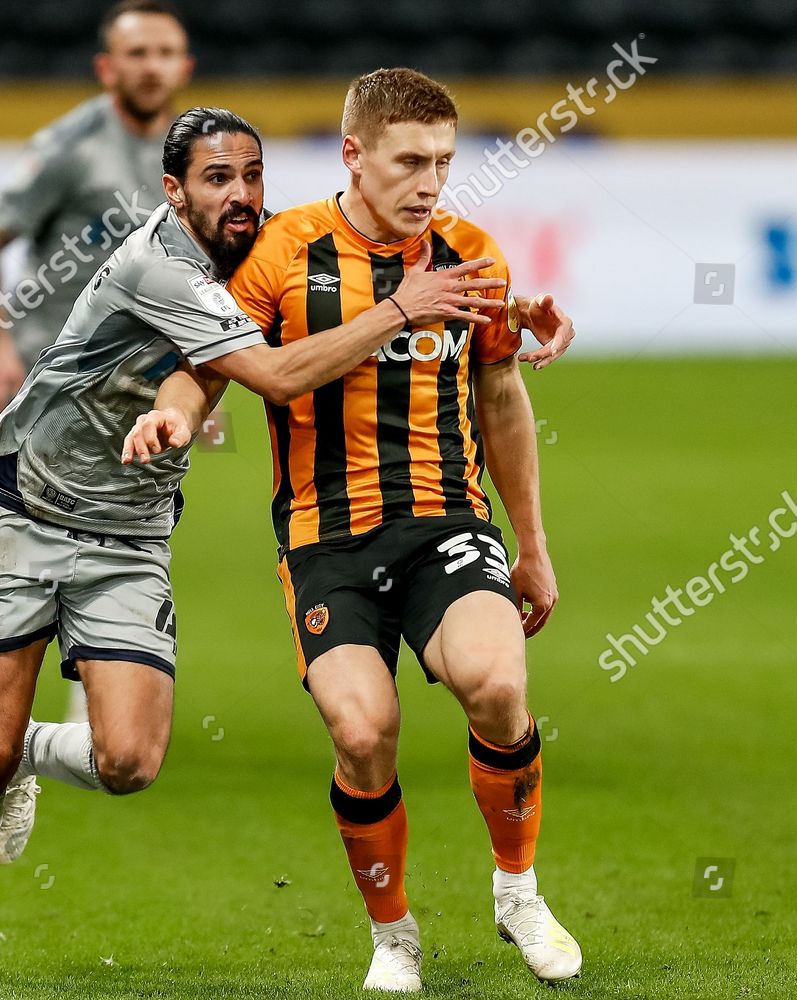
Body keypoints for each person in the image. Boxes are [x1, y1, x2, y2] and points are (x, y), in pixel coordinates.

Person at [0, 106, 512, 984]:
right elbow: (272, 373)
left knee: (128, 764)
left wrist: (503, 306)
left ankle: (39, 752)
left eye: (253, 176)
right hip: (25, 507)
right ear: (173, 190)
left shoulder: (262, 247)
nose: (241, 195)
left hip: (129, 531)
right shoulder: (160, 265)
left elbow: (345, 275)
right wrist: (398, 310)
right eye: (217, 179)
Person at [122, 69, 580, 992]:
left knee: (495, 680)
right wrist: (169, 412)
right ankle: (393, 934)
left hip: (448, 520)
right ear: (354, 155)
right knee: (364, 733)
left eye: (444, 162)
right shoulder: (284, 254)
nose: (429, 183)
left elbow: (501, 392)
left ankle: (519, 890)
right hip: (324, 542)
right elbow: (207, 369)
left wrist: (530, 544)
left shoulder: (472, 254)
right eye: (410, 161)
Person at [0, 0, 195, 732]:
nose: (152, 65)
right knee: (48, 511)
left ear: (184, 67)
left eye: (166, 52)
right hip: (51, 365)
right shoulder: (71, 145)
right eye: (137, 53)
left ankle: (87, 680)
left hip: (138, 375)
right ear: (108, 67)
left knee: (116, 514)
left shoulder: (193, 157)